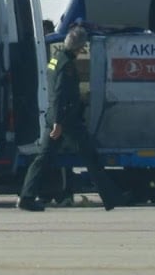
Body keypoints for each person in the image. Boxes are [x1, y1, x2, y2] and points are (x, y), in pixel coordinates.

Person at [17, 26, 121, 211]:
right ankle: (111, 199)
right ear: (78, 47)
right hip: (66, 121)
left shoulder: (55, 60)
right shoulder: (66, 66)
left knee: (42, 159)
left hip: (56, 118)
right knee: (91, 157)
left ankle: (26, 197)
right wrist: (58, 122)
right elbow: (59, 94)